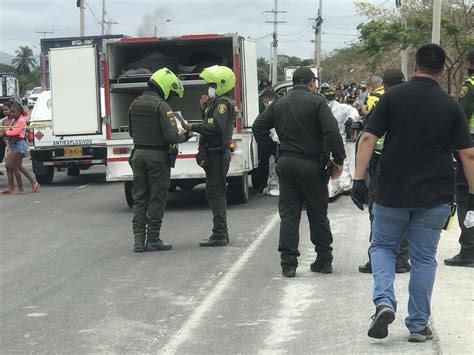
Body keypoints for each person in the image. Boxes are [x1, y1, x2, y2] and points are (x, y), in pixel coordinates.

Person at [352, 44, 474, 342]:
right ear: (442, 69)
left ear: (415, 65)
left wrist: (357, 179)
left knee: (382, 247)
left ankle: (384, 302)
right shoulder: (450, 105)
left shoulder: (392, 96)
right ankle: (418, 325)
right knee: (423, 259)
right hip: (435, 195)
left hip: (392, 190)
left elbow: (368, 137)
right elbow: (468, 154)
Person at [252, 67, 346, 278]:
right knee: (317, 213)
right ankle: (323, 259)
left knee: (289, 213)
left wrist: (273, 150)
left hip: (286, 163)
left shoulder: (279, 103)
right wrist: (338, 160)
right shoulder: (318, 102)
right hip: (312, 165)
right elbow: (332, 131)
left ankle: (288, 263)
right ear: (311, 82)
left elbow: (258, 126)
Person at [128, 67, 188, 253]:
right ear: (164, 87)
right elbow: (171, 136)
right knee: (157, 197)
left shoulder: (134, 104)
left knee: (139, 198)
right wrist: (186, 136)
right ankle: (153, 239)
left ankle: (139, 240)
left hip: (138, 155)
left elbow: (131, 132)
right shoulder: (162, 107)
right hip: (157, 158)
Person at [357, 69, 411, 274]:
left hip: (382, 161)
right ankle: (401, 259)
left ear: (385, 86)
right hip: (410, 163)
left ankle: (377, 258)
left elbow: (369, 136)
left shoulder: (382, 102)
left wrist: (358, 177)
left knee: (377, 211)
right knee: (406, 209)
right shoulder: (414, 102)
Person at [182, 65, 237, 247]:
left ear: (221, 85)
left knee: (216, 194)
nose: (209, 88)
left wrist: (192, 127)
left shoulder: (222, 104)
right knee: (213, 193)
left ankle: (220, 234)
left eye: (212, 84)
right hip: (214, 154)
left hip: (217, 155)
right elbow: (211, 123)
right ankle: (220, 232)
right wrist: (203, 109)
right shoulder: (216, 104)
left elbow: (216, 128)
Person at [444, 49, 474, 267]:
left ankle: (468, 250)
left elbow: (461, 118)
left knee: (466, 195)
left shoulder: (470, 86)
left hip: (470, 148)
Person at [323, 88, 359, 194]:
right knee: (329, 161)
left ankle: (346, 184)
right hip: (326, 138)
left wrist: (351, 118)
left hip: (339, 136)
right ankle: (330, 185)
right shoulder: (321, 107)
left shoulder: (341, 107)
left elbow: (353, 111)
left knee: (342, 161)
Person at [2, 102, 39, 194]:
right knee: (9, 166)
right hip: (13, 144)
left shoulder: (21, 120)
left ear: (19, 112)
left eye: (14, 112)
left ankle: (20, 189)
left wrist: (6, 132)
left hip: (19, 144)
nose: (12, 114)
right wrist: (7, 131)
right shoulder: (14, 120)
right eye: (12, 112)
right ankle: (11, 188)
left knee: (15, 167)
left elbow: (14, 132)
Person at [253, 88, 278, 193]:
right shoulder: (275, 107)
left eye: (264, 99)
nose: (263, 101)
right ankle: (273, 185)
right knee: (272, 164)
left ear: (267, 98)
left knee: (273, 165)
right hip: (274, 140)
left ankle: (274, 186)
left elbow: (258, 126)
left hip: (275, 141)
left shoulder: (272, 108)